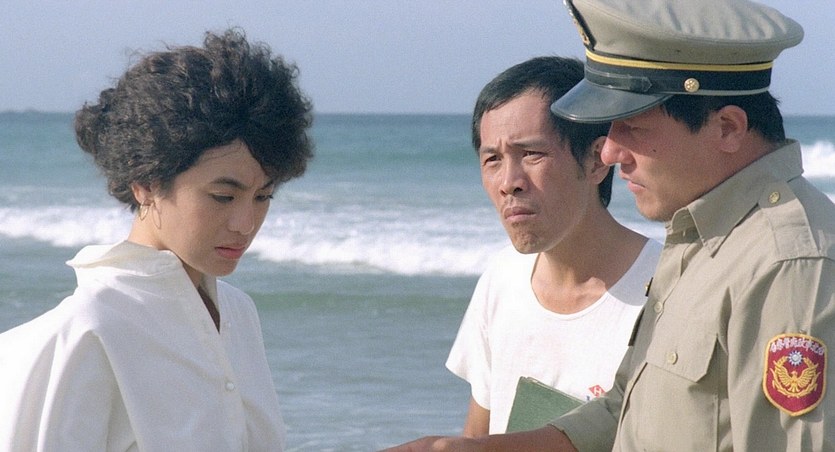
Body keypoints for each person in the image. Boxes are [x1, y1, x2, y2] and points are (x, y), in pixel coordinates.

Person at [385, 0, 834, 450]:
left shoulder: (790, 264)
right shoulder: (704, 237)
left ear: (728, 128)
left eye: (633, 128)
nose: (609, 152)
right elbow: (629, 409)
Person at [0, 28, 313, 451]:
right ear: (145, 183)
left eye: (263, 197)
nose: (246, 223)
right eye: (223, 196)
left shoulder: (237, 313)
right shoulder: (88, 330)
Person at [445, 56, 660, 436]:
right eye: (492, 159)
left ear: (596, 160)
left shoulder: (664, 290)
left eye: (532, 154)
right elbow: (477, 439)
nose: (509, 182)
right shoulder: (503, 279)